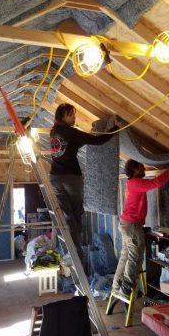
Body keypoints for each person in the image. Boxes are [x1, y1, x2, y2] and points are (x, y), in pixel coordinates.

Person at [50, 103, 119, 262]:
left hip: (55, 178)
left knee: (67, 216)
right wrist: (115, 128)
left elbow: (69, 145)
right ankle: (77, 252)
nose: (74, 118)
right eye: (71, 115)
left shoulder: (53, 131)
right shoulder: (72, 133)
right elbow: (98, 140)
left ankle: (70, 250)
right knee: (76, 213)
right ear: (63, 116)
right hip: (71, 178)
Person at [112, 159, 169, 299]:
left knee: (125, 256)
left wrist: (168, 167)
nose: (144, 169)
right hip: (132, 225)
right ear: (134, 169)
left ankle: (117, 286)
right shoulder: (136, 182)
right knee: (134, 257)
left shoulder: (131, 183)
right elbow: (156, 183)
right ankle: (126, 290)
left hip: (126, 223)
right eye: (141, 167)